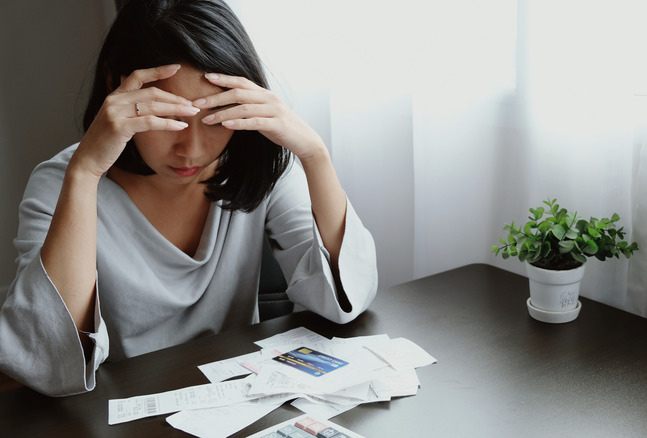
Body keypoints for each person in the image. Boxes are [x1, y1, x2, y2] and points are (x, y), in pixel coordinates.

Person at [0, 0, 377, 397]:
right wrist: (84, 173)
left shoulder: (261, 167)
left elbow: (346, 300)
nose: (191, 150)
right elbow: (44, 364)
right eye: (171, 118)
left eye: (213, 119)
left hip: (239, 395)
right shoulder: (61, 183)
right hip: (121, 408)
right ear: (117, 88)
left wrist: (314, 155)